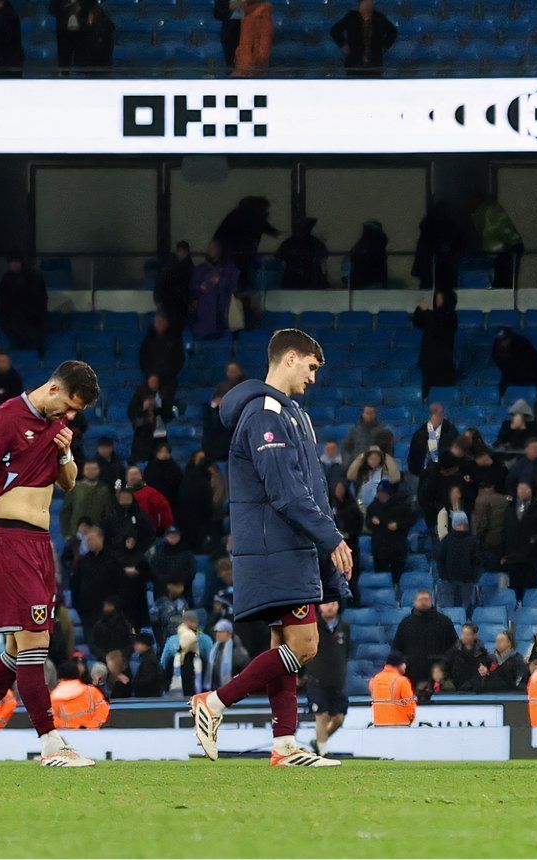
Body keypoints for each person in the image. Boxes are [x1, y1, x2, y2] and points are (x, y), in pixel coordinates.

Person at [186, 329, 352, 767]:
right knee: (305, 645)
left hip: (288, 546)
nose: (314, 378)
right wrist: (331, 537)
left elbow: (308, 488)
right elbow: (286, 492)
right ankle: (213, 703)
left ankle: (284, 744)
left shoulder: (293, 414)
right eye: (311, 367)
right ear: (290, 358)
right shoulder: (265, 414)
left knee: (284, 645)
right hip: (277, 546)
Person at [0, 358, 103, 769]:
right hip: (9, 540)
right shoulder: (6, 418)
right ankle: (50, 744)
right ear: (53, 388)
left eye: (77, 412)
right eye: (69, 406)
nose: (70, 416)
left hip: (40, 544)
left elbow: (68, 482)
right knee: (34, 644)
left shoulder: (56, 424)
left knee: (16, 652)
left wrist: (65, 452)